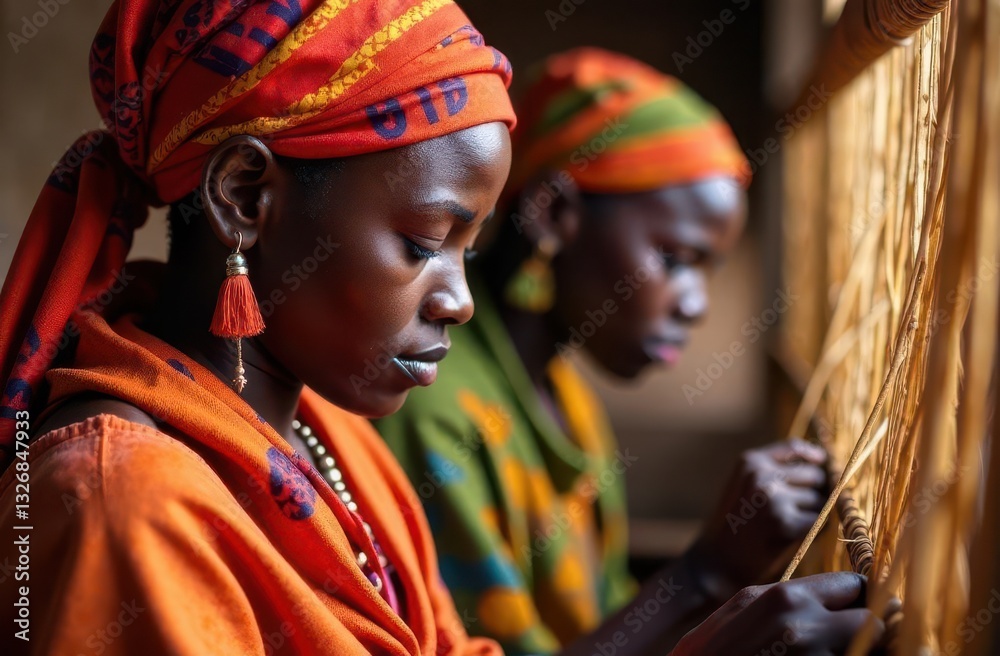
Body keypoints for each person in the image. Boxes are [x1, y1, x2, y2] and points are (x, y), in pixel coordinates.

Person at [0, 6, 878, 653]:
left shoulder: (329, 432)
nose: (457, 298)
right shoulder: (125, 503)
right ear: (243, 199)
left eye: (467, 248)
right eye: (423, 244)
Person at [375, 48, 880, 655]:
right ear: (555, 213)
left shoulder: (570, 401)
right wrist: (704, 574)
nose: (695, 305)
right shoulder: (436, 412)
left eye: (707, 272)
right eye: (675, 260)